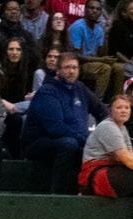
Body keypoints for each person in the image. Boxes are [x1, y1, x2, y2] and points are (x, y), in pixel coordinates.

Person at [25, 50, 105, 194]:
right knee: (69, 144)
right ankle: (58, 194)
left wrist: (103, 133)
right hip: (40, 143)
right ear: (58, 70)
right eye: (67, 67)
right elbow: (56, 129)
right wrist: (87, 141)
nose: (71, 71)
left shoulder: (80, 88)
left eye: (75, 67)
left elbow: (102, 111)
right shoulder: (47, 91)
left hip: (75, 140)